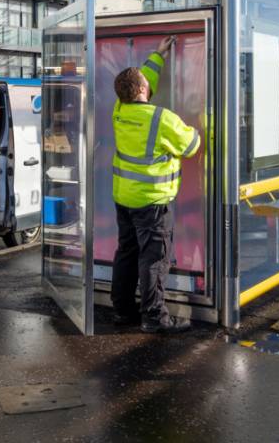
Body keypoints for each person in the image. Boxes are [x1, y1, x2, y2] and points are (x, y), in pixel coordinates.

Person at [110, 35, 202, 334]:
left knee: (126, 252)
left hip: (124, 198)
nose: (148, 85)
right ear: (141, 90)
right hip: (152, 202)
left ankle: (123, 310)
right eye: (144, 84)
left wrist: (157, 55)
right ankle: (154, 317)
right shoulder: (162, 119)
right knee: (154, 260)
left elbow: (142, 79)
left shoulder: (119, 110)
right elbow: (191, 146)